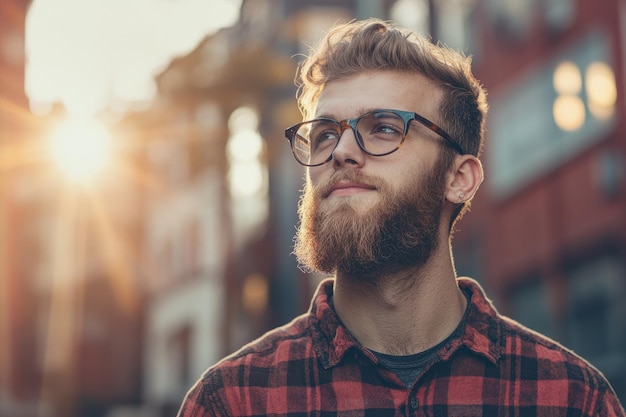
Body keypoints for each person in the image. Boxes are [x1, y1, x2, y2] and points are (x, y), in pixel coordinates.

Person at [177, 18, 625, 416]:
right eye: (325, 134)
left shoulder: (570, 398)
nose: (342, 152)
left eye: (385, 128)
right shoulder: (234, 401)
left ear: (459, 178)